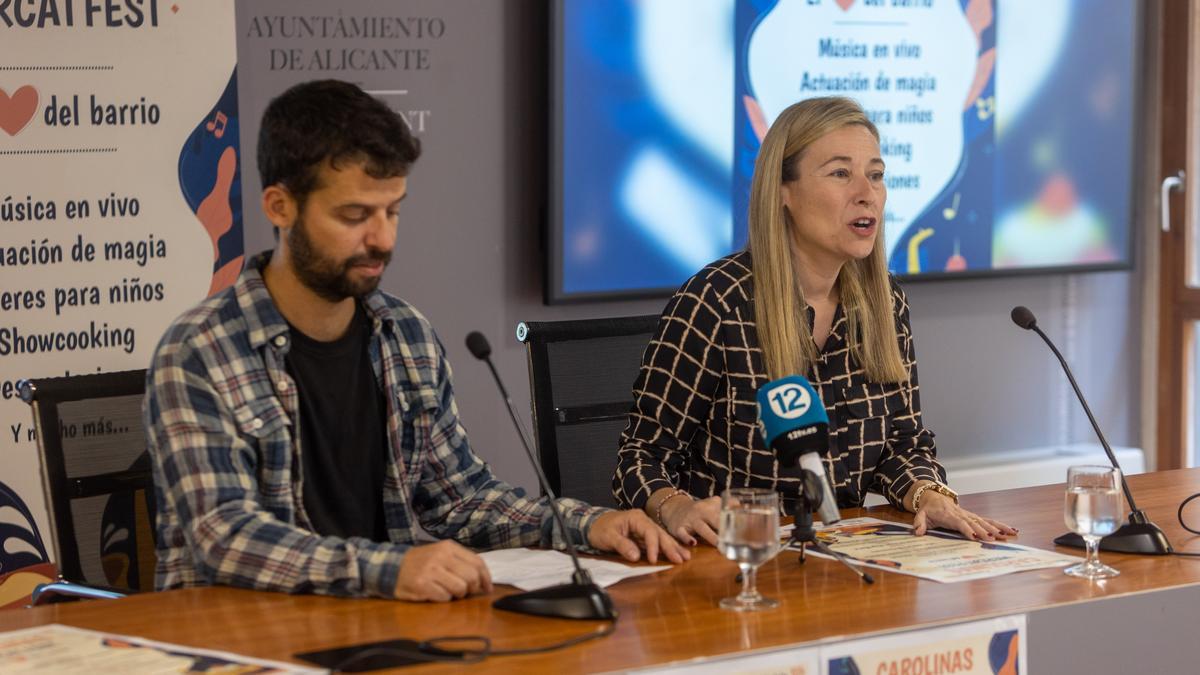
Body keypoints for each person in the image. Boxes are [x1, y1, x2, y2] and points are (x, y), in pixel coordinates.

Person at [144, 79, 686, 603]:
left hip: (381, 628)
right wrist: (388, 569)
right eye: (354, 215)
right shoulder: (198, 351)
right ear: (279, 207)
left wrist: (588, 524)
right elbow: (227, 540)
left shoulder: (405, 336)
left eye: (393, 210)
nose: (382, 238)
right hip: (237, 644)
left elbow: (461, 499)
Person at [613, 96, 1016, 547]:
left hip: (844, 555)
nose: (867, 192)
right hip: (733, 563)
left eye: (877, 175)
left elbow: (902, 446)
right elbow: (640, 456)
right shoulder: (717, 300)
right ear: (783, 191)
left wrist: (929, 495)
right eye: (841, 173)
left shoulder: (885, 302)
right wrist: (677, 506)